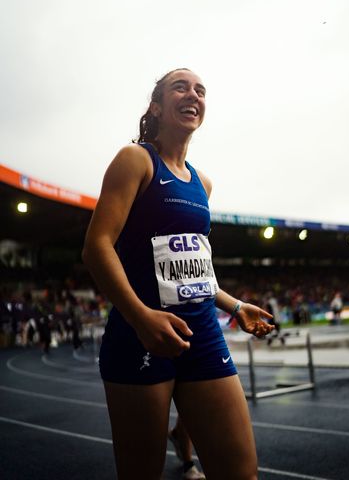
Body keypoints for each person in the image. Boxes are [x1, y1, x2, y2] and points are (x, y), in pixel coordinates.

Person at [82, 68, 274, 480]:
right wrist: (139, 316)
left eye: (201, 90)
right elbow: (97, 246)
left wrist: (236, 305)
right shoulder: (135, 160)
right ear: (156, 105)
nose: (193, 94)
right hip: (140, 338)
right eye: (180, 87)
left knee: (242, 472)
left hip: (203, 334)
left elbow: (196, 268)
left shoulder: (202, 183)